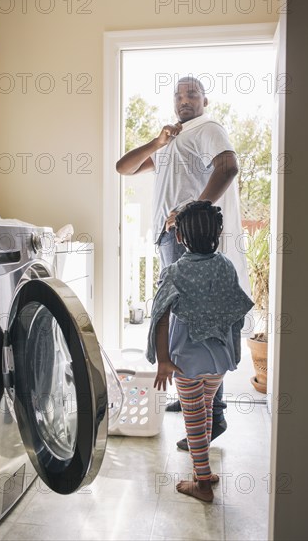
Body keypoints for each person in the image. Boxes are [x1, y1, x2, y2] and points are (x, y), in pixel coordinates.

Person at [116, 76, 251, 450]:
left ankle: (215, 414)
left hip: (189, 236)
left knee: (197, 318)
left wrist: (192, 211)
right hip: (168, 236)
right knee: (180, 319)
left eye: (192, 93)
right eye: (178, 95)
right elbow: (123, 168)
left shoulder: (207, 128)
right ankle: (191, 392)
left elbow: (228, 167)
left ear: (205, 99)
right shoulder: (171, 140)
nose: (184, 99)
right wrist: (156, 142)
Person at [146, 201, 254, 502]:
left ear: (179, 238)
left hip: (186, 362)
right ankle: (202, 469)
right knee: (204, 412)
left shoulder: (175, 271)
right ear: (219, 232)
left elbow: (160, 317)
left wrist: (164, 360)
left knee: (193, 417)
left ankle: (203, 483)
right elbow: (236, 312)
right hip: (217, 360)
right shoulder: (225, 266)